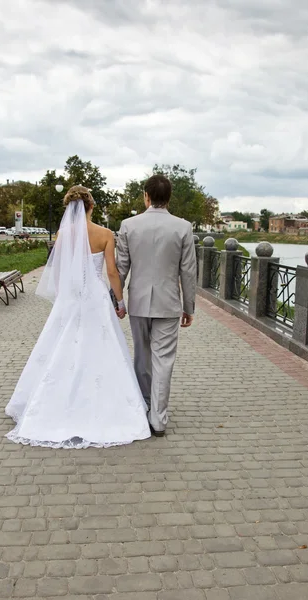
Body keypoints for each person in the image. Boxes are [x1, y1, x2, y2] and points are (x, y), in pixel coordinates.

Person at [5, 185, 151, 449]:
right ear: (91, 206)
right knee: (100, 346)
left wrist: (64, 297)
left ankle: (50, 404)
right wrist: (120, 302)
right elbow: (112, 272)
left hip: (71, 297)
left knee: (63, 345)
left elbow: (59, 270)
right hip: (94, 297)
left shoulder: (63, 233)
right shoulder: (105, 233)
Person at [116, 174, 197, 437]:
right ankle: (159, 420)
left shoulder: (128, 225)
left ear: (146, 196)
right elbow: (188, 271)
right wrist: (189, 306)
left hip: (138, 301)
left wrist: (116, 300)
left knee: (142, 357)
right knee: (164, 361)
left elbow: (121, 268)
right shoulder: (183, 227)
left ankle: (144, 407)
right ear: (169, 197)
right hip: (169, 303)